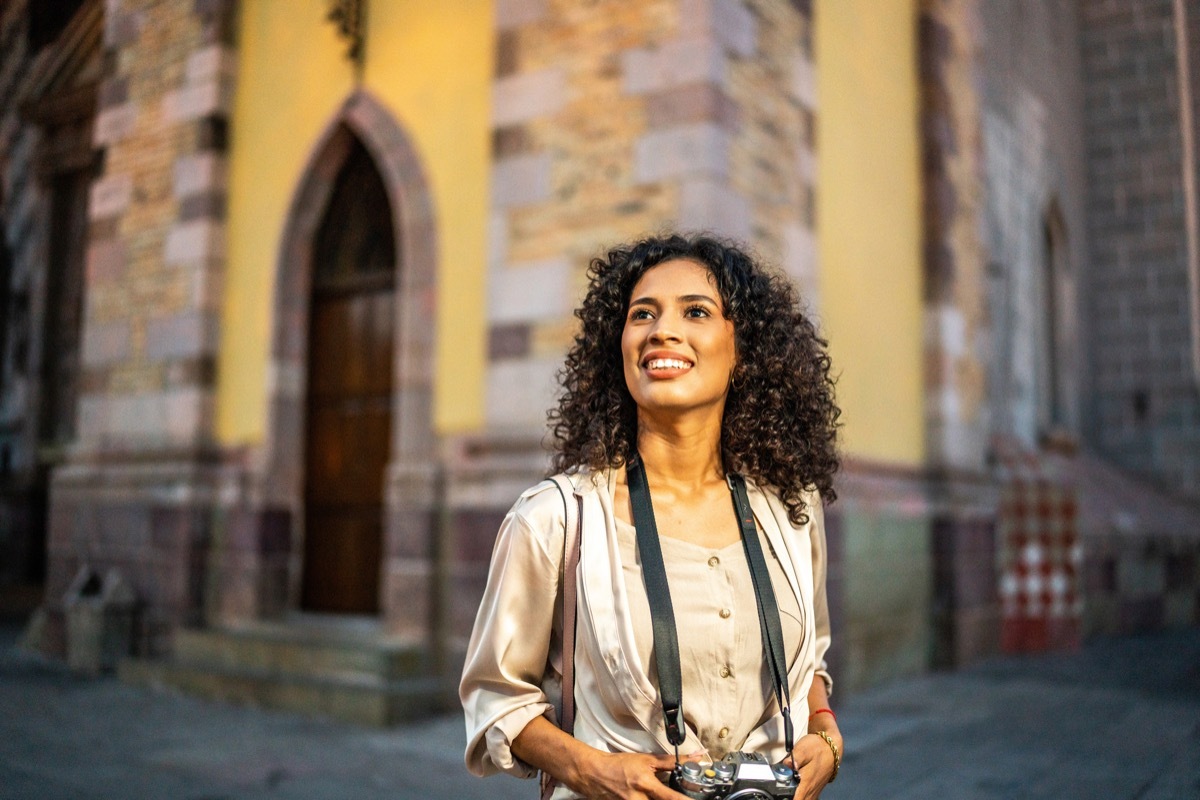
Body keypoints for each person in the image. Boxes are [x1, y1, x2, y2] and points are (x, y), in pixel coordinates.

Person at [460, 234, 842, 800]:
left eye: (696, 311)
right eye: (643, 314)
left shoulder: (791, 508)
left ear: (744, 349)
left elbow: (810, 661)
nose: (662, 330)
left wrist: (826, 734)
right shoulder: (555, 519)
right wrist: (591, 770)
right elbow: (495, 699)